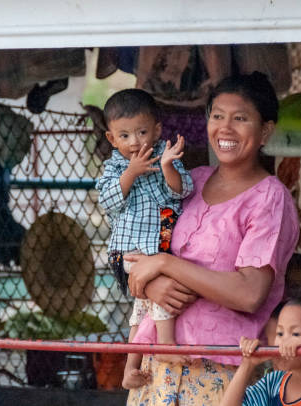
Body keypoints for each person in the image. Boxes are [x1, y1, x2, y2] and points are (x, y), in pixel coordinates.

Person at [125, 71, 300, 405]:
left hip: (220, 370)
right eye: (217, 116)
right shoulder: (188, 181)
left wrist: (165, 264)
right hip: (156, 367)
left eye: (241, 118)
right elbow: (137, 252)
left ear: (266, 130)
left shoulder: (269, 198)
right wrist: (151, 285)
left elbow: (250, 293)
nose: (225, 128)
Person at [95, 88, 194, 389]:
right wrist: (131, 173)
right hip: (127, 254)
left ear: (157, 130)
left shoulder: (167, 159)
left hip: (158, 251)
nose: (134, 141)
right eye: (124, 136)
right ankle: (167, 347)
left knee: (141, 309)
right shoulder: (113, 167)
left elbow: (183, 191)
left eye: (141, 132)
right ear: (111, 139)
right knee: (162, 291)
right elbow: (108, 200)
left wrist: (166, 167)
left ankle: (130, 368)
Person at [220, 296, 301, 406]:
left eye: (295, 334)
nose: (283, 343)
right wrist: (247, 364)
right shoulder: (273, 382)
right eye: (280, 333)